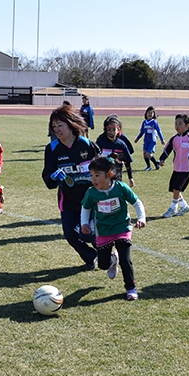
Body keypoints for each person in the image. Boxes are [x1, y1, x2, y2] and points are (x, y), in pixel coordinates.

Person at [42, 104, 100, 269]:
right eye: (54, 127)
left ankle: (106, 253)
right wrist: (53, 177)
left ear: (70, 124)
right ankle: (91, 257)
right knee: (70, 235)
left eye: (60, 125)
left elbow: (103, 169)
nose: (57, 130)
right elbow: (47, 176)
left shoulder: (87, 145)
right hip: (67, 199)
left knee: (88, 233)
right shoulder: (52, 149)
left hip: (89, 199)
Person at [81, 155, 146, 300]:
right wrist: (84, 223)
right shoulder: (91, 192)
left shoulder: (121, 188)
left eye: (97, 175)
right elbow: (85, 208)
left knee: (126, 259)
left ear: (109, 175)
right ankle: (112, 259)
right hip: (103, 231)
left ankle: (131, 288)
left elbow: (137, 202)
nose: (93, 179)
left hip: (122, 228)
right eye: (91, 175)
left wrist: (141, 218)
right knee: (103, 265)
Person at [159, 114, 189, 217]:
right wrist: (162, 159)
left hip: (187, 169)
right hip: (177, 168)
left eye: (180, 124)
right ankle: (184, 206)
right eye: (176, 124)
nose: (177, 126)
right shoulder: (174, 138)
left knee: (177, 187)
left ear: (187, 125)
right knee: (174, 188)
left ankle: (173, 208)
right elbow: (167, 150)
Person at [95, 115, 135, 187]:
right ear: (105, 129)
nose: (111, 132)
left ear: (118, 129)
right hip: (103, 175)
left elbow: (127, 161)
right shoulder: (100, 142)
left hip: (117, 175)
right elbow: (95, 159)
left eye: (114, 129)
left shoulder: (121, 144)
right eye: (109, 129)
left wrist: (130, 177)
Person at [134, 106, 165, 170]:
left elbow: (159, 131)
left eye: (152, 113)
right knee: (145, 154)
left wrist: (162, 139)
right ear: (146, 113)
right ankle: (149, 166)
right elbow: (142, 132)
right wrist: (137, 138)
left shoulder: (154, 122)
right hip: (146, 140)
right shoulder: (144, 122)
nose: (150, 114)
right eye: (149, 112)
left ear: (153, 114)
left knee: (148, 154)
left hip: (152, 140)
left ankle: (155, 163)